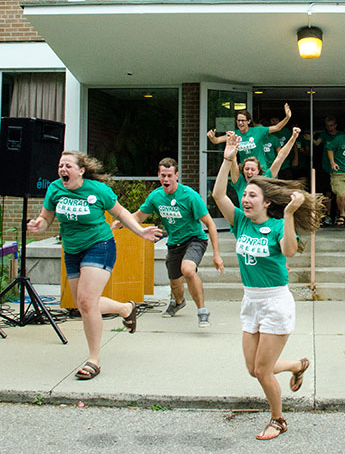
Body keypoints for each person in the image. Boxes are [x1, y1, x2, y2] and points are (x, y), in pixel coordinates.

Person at [213, 133, 325, 441]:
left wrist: (288, 215)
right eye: (245, 194)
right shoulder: (240, 222)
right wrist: (228, 158)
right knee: (254, 368)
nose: (245, 199)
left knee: (262, 371)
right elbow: (219, 195)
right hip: (251, 301)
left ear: (266, 202)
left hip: (276, 303)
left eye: (252, 196)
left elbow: (289, 251)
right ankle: (297, 365)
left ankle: (278, 419)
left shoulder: (276, 225)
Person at [27, 151, 162, 380]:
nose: (63, 170)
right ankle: (125, 308)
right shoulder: (55, 189)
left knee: (87, 302)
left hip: (100, 245)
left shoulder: (98, 190)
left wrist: (140, 231)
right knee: (82, 304)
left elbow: (121, 213)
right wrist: (39, 225)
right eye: (60, 165)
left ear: (81, 170)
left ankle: (94, 360)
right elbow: (46, 217)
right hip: (71, 250)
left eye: (68, 166)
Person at [114, 158, 224, 327]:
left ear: (176, 175)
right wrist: (122, 221)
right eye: (163, 175)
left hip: (195, 239)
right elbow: (138, 216)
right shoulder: (155, 197)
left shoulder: (190, 196)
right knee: (175, 282)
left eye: (169, 175)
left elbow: (210, 224)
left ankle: (202, 311)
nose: (166, 179)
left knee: (187, 269)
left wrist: (217, 255)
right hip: (174, 243)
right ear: (158, 175)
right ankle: (179, 302)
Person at [207, 104, 291, 173]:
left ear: (248, 121)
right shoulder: (234, 134)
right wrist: (212, 137)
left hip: (260, 169)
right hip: (246, 171)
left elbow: (277, 127)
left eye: (243, 120)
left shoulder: (258, 131)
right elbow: (217, 140)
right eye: (238, 120)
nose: (240, 123)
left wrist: (287, 117)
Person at [230, 127, 302, 202]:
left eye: (253, 169)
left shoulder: (266, 178)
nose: (249, 172)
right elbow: (232, 160)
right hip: (245, 213)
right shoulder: (240, 183)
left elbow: (280, 157)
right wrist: (231, 146)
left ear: (258, 171)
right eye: (247, 169)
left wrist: (293, 138)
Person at [313, 115, 338, 225]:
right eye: (328, 126)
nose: (330, 128)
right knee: (326, 193)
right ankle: (327, 216)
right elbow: (317, 143)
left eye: (332, 125)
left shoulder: (342, 135)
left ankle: (337, 215)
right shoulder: (324, 135)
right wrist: (311, 138)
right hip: (325, 167)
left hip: (340, 168)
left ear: (336, 125)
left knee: (339, 193)